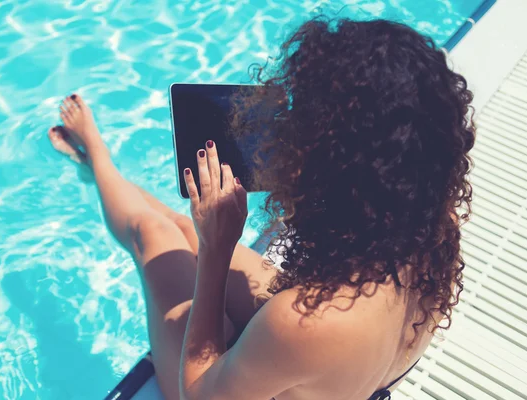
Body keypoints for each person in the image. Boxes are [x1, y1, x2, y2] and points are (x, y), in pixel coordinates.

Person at [48, 17, 474, 400]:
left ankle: (98, 158)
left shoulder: (304, 320)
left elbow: (199, 394)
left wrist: (217, 250)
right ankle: (109, 177)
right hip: (334, 373)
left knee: (153, 235)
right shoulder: (431, 227)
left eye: (298, 124)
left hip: (235, 382)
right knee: (182, 226)